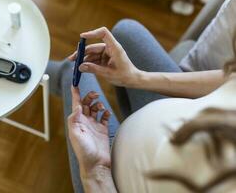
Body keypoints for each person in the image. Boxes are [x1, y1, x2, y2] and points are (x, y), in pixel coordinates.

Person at [46, 19, 235, 193]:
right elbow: (230, 79)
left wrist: (95, 171)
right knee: (127, 31)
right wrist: (136, 77)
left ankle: (35, 75)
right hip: (166, 113)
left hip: (110, 178)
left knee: (72, 70)